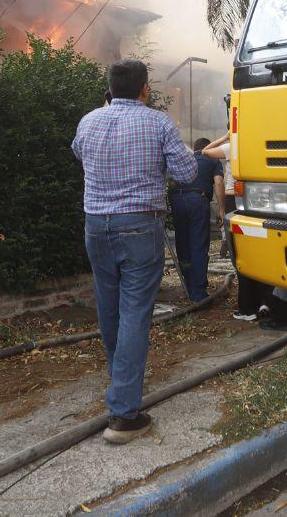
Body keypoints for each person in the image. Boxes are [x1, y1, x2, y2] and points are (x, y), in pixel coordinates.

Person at [72, 59, 197, 445]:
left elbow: (80, 155)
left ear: (109, 89)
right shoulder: (158, 123)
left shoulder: (89, 121)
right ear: (145, 89)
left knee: (109, 308)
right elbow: (188, 174)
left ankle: (121, 382)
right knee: (134, 314)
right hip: (139, 225)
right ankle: (124, 414)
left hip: (96, 225)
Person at [203, 133, 287, 331]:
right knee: (280, 256)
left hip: (239, 199)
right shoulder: (263, 142)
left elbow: (205, 151)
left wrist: (226, 137)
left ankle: (253, 308)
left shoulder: (232, 145)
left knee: (246, 258)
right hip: (273, 201)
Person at [167, 137, 222, 302]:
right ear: (207, 148)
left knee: (183, 245)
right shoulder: (213, 160)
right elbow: (219, 183)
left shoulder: (185, 159)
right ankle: (198, 293)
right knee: (198, 245)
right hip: (197, 200)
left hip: (177, 200)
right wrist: (222, 209)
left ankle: (188, 286)